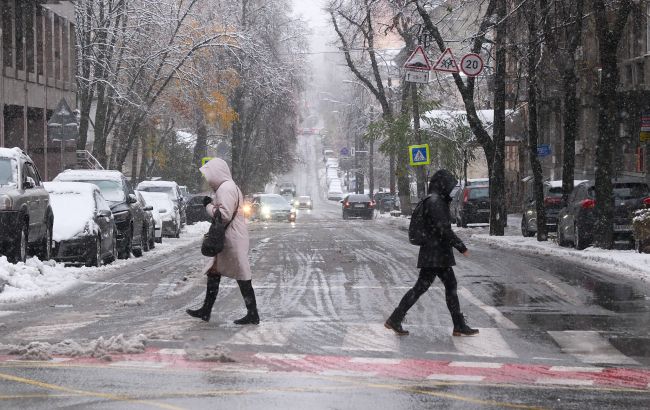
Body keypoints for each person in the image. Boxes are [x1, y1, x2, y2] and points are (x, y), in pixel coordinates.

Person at [385, 169, 478, 337]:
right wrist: (461, 246)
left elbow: (440, 228)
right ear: (442, 185)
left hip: (434, 252)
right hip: (436, 253)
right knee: (432, 287)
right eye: (449, 186)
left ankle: (397, 318)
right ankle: (396, 318)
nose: (450, 189)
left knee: (440, 286)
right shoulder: (436, 202)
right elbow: (443, 229)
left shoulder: (433, 199)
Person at [186, 158, 260, 325]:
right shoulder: (228, 187)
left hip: (232, 238)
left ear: (217, 172)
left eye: (209, 174)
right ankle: (206, 310)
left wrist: (208, 206)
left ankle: (253, 313)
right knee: (214, 272)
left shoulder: (225, 188)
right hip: (232, 236)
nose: (207, 178)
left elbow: (224, 215)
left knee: (242, 275)